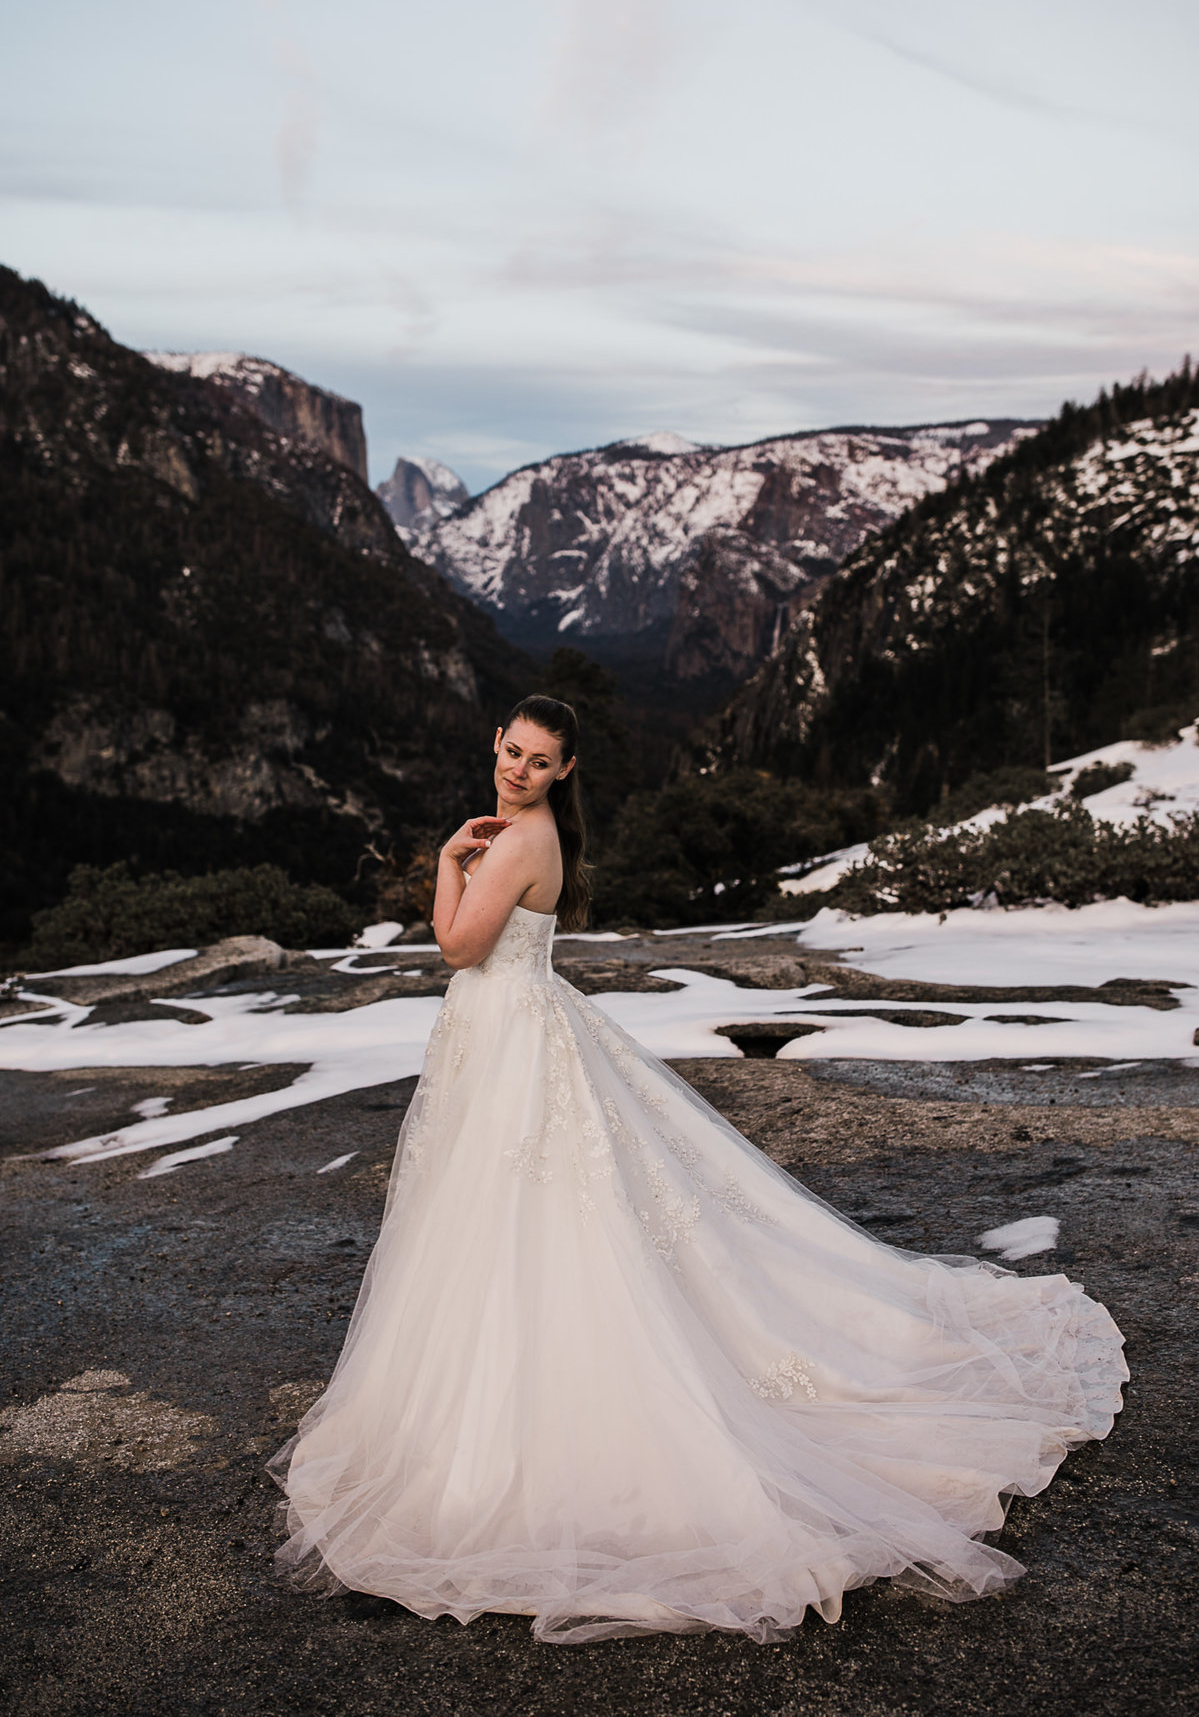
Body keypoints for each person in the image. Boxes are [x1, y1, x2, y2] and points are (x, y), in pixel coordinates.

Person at [269, 694, 1125, 1644]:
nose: (517, 769)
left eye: (539, 760)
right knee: (522, 1217)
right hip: (510, 1037)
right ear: (497, 745)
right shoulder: (529, 832)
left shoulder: (515, 841)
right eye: (511, 751)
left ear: (565, 772)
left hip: (511, 1040)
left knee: (526, 1219)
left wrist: (443, 863)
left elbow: (460, 947)